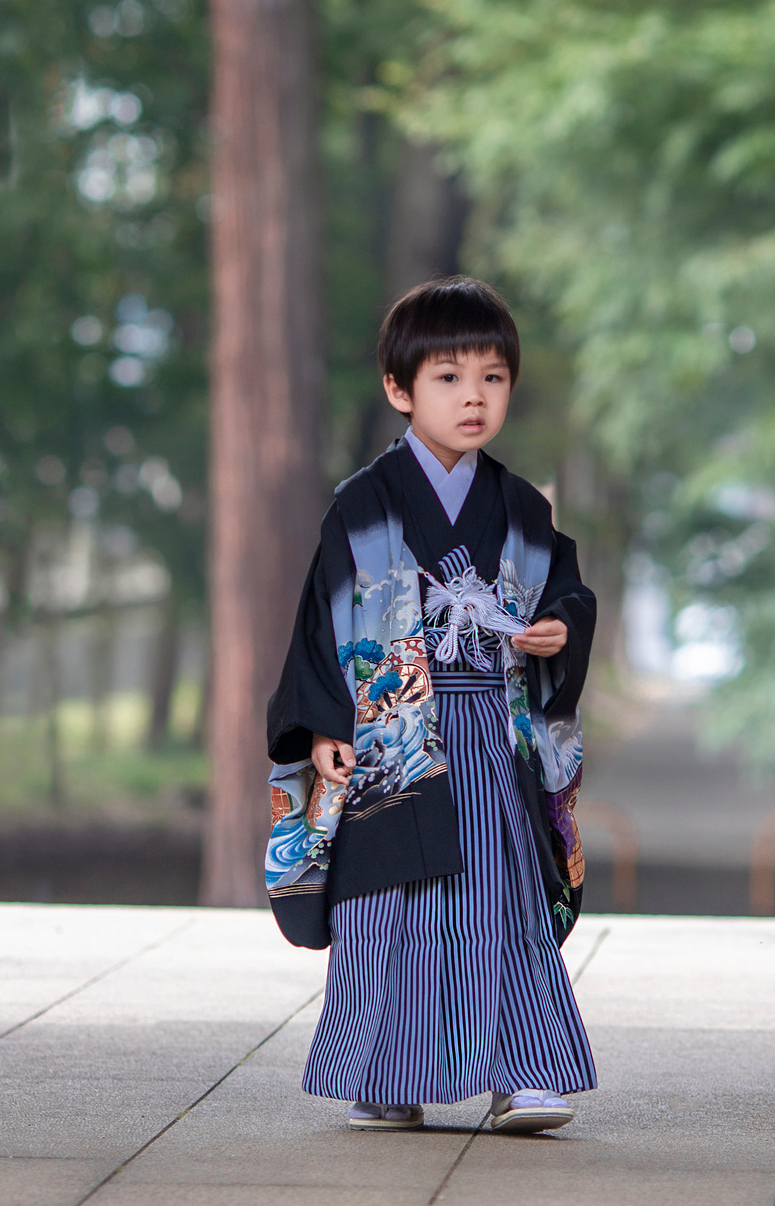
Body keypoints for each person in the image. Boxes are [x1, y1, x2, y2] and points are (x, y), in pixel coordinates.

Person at [263, 276, 598, 1136]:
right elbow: (320, 622)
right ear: (398, 387)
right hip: (390, 738)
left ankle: (524, 1073)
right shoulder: (363, 503)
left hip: (486, 727)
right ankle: (387, 1074)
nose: (473, 396)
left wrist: (560, 626)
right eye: (448, 377)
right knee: (389, 902)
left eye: (492, 377)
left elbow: (566, 591)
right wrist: (323, 722)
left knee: (501, 895)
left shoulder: (520, 506)